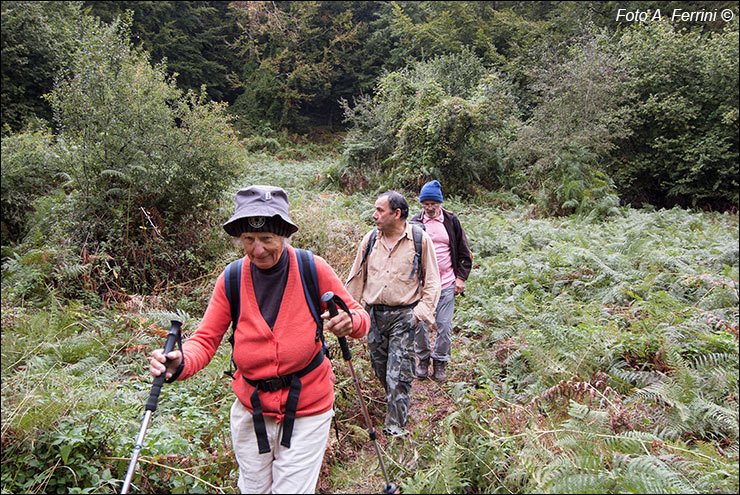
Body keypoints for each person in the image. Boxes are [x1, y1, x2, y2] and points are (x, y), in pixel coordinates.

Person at [149, 185, 370, 494]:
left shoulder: (311, 268)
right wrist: (180, 362)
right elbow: (205, 339)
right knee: (253, 489)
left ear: (284, 235)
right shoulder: (231, 278)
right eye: (248, 240)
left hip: (308, 406)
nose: (257, 250)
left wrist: (349, 322)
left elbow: (360, 318)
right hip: (251, 409)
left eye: (267, 239)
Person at [345, 191, 440, 437]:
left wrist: (419, 313)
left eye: (380, 210)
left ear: (397, 214)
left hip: (404, 317)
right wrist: (349, 313)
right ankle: (396, 403)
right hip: (374, 315)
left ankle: (395, 426)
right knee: (381, 368)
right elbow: (356, 278)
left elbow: (432, 282)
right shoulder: (369, 240)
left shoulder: (419, 239)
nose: (374, 215)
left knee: (398, 372)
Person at [410, 180, 473, 382]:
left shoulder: (451, 221)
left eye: (432, 204)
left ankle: (440, 362)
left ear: (439, 203)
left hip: (446, 283)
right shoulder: (414, 223)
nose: (429, 208)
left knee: (444, 326)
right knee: (419, 325)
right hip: (421, 285)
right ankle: (423, 360)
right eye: (425, 204)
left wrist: (461, 278)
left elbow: (464, 253)